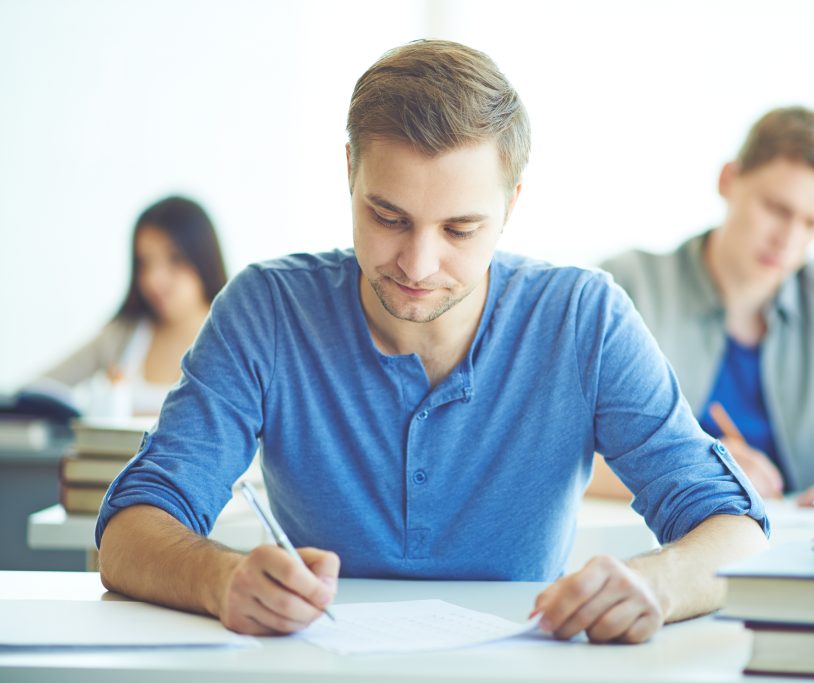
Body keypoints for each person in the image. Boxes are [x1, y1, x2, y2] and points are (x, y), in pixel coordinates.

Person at [95, 40, 768, 645]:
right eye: (387, 217)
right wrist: (223, 578)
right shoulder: (267, 309)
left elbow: (737, 529)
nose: (417, 264)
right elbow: (128, 533)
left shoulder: (583, 319)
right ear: (350, 170)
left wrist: (658, 581)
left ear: (512, 205)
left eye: (460, 228)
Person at [592, 107, 814, 506]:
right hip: (654, 538)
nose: (789, 239)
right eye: (776, 209)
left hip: (795, 544)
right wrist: (696, 465)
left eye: (812, 223)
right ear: (728, 180)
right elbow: (560, 451)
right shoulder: (627, 286)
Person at [34, 196, 227, 416]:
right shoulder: (122, 336)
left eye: (175, 259)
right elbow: (38, 392)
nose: (155, 279)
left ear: (204, 259)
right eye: (145, 262)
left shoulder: (234, 341)